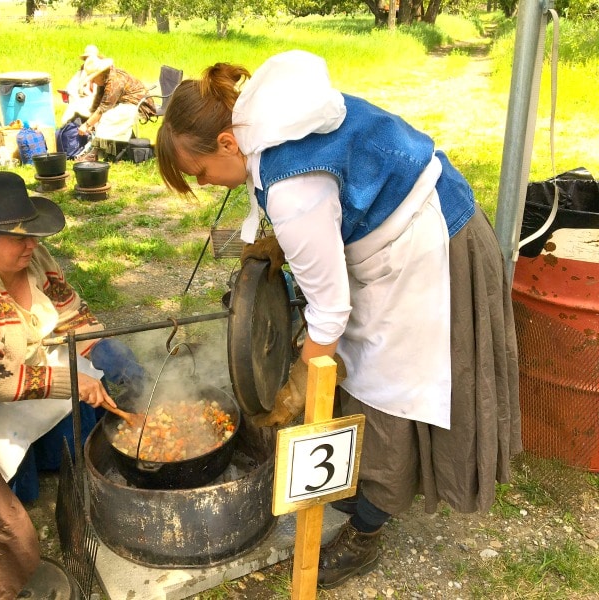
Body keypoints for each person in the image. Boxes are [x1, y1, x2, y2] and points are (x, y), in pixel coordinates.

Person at [155, 50, 521, 589]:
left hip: (427, 249)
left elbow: (328, 312)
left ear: (229, 143)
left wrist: (302, 378)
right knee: (359, 369)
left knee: (388, 388)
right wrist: (274, 245)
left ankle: (368, 528)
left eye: (202, 173)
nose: (209, 184)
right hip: (399, 235)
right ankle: (357, 481)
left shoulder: (291, 185)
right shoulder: (264, 120)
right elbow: (310, 201)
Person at [0, 171, 145, 502]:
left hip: (28, 359)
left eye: (32, 233)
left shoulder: (33, 257)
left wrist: (100, 345)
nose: (32, 243)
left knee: (94, 373)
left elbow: (68, 311)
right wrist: (72, 382)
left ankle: (60, 453)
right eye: (18, 237)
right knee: (25, 474)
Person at [75, 55, 156, 161]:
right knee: (104, 117)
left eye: (93, 78)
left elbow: (103, 108)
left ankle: (95, 153)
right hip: (126, 102)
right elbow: (98, 102)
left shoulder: (115, 82)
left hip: (140, 105)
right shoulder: (106, 78)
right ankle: (108, 150)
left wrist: (87, 125)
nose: (93, 82)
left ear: (100, 73)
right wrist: (91, 122)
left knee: (109, 117)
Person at [60, 44, 101, 125]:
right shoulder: (80, 73)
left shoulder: (101, 73)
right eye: (87, 59)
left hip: (96, 105)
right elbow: (71, 89)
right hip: (80, 105)